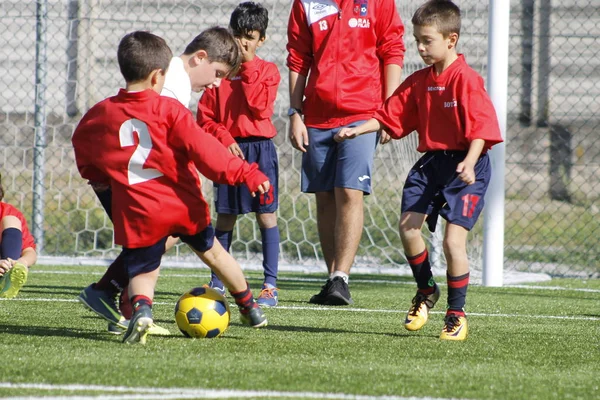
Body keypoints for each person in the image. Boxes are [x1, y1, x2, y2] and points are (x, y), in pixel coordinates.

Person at [72, 31, 270, 344]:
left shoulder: (102, 112)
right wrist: (245, 172)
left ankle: (142, 310)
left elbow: (81, 142)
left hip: (139, 210)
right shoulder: (170, 107)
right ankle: (248, 306)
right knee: (216, 254)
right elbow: (205, 150)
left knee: (145, 268)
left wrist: (101, 178)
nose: (216, 83)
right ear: (157, 76)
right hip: (182, 204)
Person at [334, 0, 503, 340]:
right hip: (432, 165)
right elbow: (389, 114)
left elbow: (482, 130)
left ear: (451, 39)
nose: (421, 48)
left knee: (454, 243)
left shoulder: (467, 80)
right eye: (417, 41)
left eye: (428, 41)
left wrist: (470, 162)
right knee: (408, 228)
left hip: (467, 166)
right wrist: (357, 129)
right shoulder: (420, 81)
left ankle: (456, 314)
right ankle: (426, 290)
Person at [286, 0, 406, 305]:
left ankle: (342, 276)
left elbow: (392, 49)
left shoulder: (379, 2)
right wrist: (295, 112)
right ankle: (332, 280)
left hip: (362, 114)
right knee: (324, 196)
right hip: (317, 116)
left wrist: (388, 112)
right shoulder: (306, 3)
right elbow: (299, 57)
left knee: (350, 192)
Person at [197, 2, 281, 307]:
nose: (243, 42)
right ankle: (217, 282)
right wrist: (224, 137)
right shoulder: (219, 74)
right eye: (239, 35)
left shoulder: (268, 71)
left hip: (261, 150)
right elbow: (205, 118)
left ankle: (269, 285)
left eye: (250, 36)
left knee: (266, 215)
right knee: (226, 217)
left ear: (261, 40)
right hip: (228, 151)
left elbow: (260, 108)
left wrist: (247, 68)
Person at [0, 172, 37, 299]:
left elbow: (30, 251)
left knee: (11, 220)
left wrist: (21, 262)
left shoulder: (8, 211)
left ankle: (7, 275)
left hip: (3, 262)